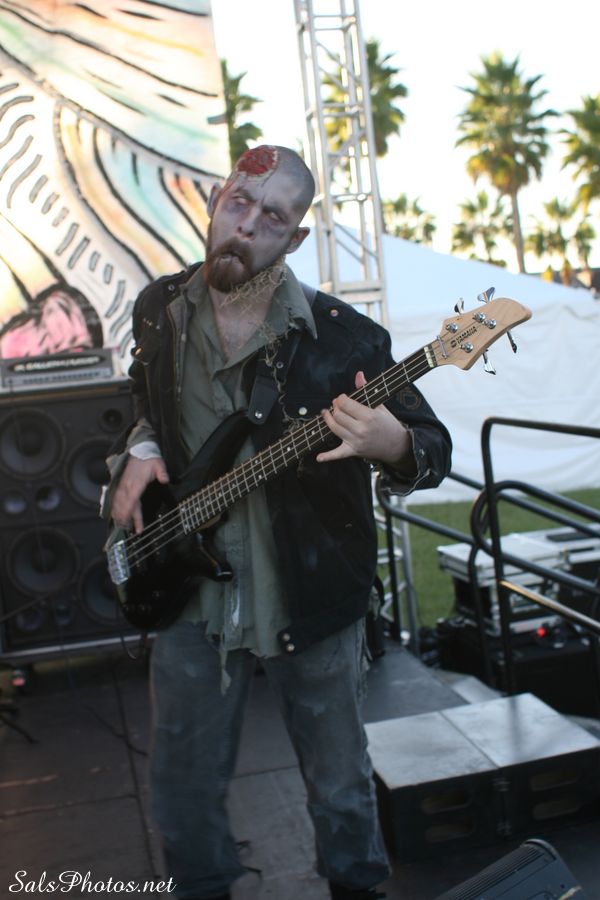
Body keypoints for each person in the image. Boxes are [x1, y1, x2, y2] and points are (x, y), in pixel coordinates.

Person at [106, 145, 452, 900]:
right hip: (189, 597)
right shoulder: (160, 308)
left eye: (272, 217)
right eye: (238, 202)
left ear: (295, 238)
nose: (246, 225)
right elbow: (144, 394)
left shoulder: (345, 339)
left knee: (339, 784)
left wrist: (392, 443)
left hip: (311, 595)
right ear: (215, 201)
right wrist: (141, 445)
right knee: (183, 788)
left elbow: (433, 448)